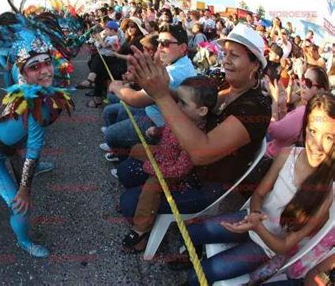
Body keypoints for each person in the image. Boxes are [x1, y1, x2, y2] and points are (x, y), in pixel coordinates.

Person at [174, 92, 334, 285]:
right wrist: (255, 216)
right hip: (250, 219)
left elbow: (284, 246)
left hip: (267, 247)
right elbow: (259, 193)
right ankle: (194, 255)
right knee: (191, 232)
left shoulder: (327, 194)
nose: (316, 144)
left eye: (329, 137)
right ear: (305, 127)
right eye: (312, 131)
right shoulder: (287, 155)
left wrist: (258, 227)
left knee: (201, 275)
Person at [123, 23, 271, 218]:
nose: (225, 61)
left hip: (207, 184)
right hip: (182, 162)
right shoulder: (222, 82)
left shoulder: (256, 106)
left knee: (128, 202)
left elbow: (201, 153)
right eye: (225, 54)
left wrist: (160, 95)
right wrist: (154, 84)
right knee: (127, 171)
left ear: (255, 65)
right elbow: (189, 98)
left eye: (234, 56)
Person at [0, 9, 74, 258]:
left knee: (24, 148)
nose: (45, 71)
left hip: (8, 144)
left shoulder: (29, 90)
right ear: (23, 73)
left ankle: (17, 160)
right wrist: (24, 190)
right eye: (34, 67)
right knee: (21, 209)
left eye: (47, 62)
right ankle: (24, 241)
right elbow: (34, 150)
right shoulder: (33, 104)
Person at [118, 76, 218, 252]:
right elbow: (169, 127)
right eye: (177, 101)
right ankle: (133, 203)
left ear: (202, 111)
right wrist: (158, 130)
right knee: (136, 148)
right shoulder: (181, 117)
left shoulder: (196, 136)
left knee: (151, 188)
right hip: (162, 154)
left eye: (183, 103)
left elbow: (180, 169)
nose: (177, 106)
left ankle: (141, 230)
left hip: (171, 171)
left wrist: (153, 168)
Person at [103, 24, 195, 161]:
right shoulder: (178, 61)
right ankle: (124, 149)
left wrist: (116, 87)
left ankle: (125, 157)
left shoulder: (175, 72)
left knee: (110, 131)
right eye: (158, 43)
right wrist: (136, 79)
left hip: (158, 122)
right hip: (152, 108)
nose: (159, 47)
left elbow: (136, 99)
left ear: (182, 48)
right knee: (116, 109)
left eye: (165, 43)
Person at [266, 67, 330, 158]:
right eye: (303, 79)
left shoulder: (304, 111)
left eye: (308, 83)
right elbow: (288, 129)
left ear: (320, 90)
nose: (302, 84)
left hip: (271, 156)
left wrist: (274, 100)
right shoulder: (314, 110)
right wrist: (283, 107)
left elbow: (273, 130)